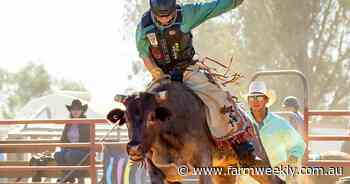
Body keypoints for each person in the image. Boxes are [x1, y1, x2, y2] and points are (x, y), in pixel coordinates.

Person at [135, 0, 256, 165]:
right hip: (160, 75)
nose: (164, 20)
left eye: (169, 16)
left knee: (217, 95)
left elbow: (213, 7)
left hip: (188, 71)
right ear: (152, 11)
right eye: (160, 17)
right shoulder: (143, 27)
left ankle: (238, 141)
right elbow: (144, 55)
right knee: (143, 107)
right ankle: (144, 149)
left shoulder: (187, 14)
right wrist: (160, 76)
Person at [245, 81, 305, 183]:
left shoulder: (280, 123)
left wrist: (291, 162)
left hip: (277, 176)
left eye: (259, 97)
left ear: (266, 100)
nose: (255, 101)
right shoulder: (242, 123)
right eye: (252, 97)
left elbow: (298, 145)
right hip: (249, 178)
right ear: (248, 101)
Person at [54, 99, 90, 183]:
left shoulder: (87, 122)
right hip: (69, 150)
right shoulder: (68, 123)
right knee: (58, 154)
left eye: (78, 109)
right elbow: (63, 139)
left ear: (82, 111)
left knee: (70, 155)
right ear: (71, 111)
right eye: (73, 109)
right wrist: (62, 147)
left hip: (82, 150)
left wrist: (70, 148)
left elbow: (85, 140)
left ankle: (70, 177)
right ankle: (69, 176)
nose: (75, 111)